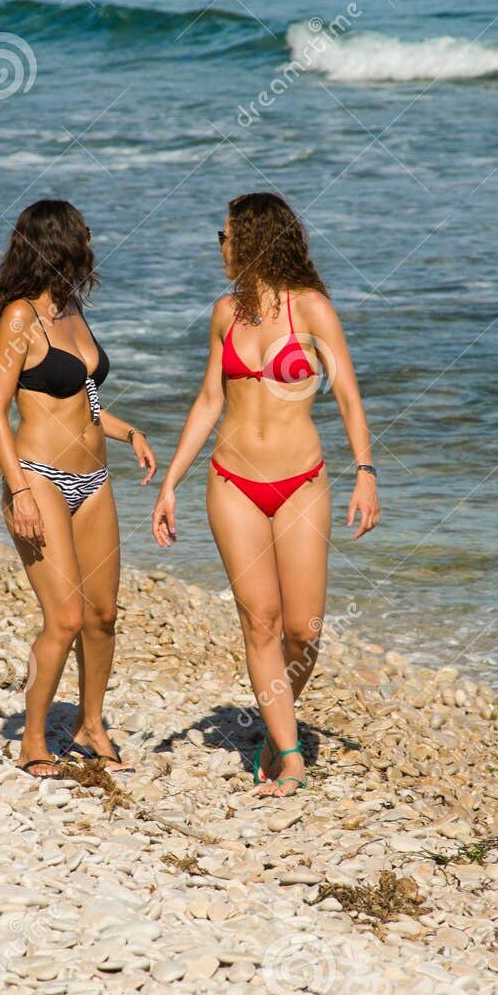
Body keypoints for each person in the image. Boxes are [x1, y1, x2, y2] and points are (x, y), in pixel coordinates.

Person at [152, 192, 379, 797]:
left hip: (302, 479)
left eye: (225, 236)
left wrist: (365, 471)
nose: (219, 246)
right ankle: (287, 752)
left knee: (303, 630)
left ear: (252, 239)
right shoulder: (225, 313)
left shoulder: (312, 311)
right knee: (261, 621)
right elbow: (208, 401)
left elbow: (349, 395)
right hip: (232, 481)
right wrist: (170, 482)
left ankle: (274, 718)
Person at [0, 200, 157, 778]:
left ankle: (89, 722)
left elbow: (84, 401)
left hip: (95, 478)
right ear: (58, 242)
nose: (90, 237)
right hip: (38, 477)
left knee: (103, 614)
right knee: (64, 618)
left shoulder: (73, 309)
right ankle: (33, 739)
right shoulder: (19, 318)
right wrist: (19, 492)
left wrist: (127, 430)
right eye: (82, 232)